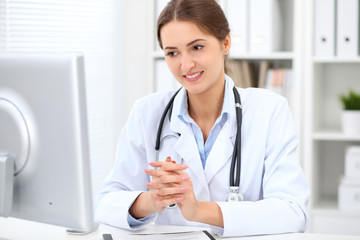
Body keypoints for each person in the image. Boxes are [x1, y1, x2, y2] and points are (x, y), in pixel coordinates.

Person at [96, 0, 310, 237]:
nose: (185, 65)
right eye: (172, 53)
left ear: (225, 43)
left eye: (197, 47)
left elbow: (293, 211)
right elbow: (106, 202)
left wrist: (199, 210)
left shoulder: (269, 110)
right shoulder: (146, 114)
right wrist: (152, 199)